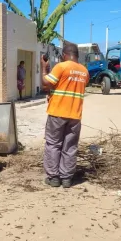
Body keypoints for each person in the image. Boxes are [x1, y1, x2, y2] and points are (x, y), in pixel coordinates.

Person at [41, 42, 89, 188]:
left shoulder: (61, 66)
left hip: (57, 113)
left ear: (64, 55)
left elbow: (46, 83)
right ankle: (67, 179)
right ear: (77, 55)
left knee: (53, 144)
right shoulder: (84, 71)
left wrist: (44, 69)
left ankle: (54, 178)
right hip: (75, 115)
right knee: (70, 146)